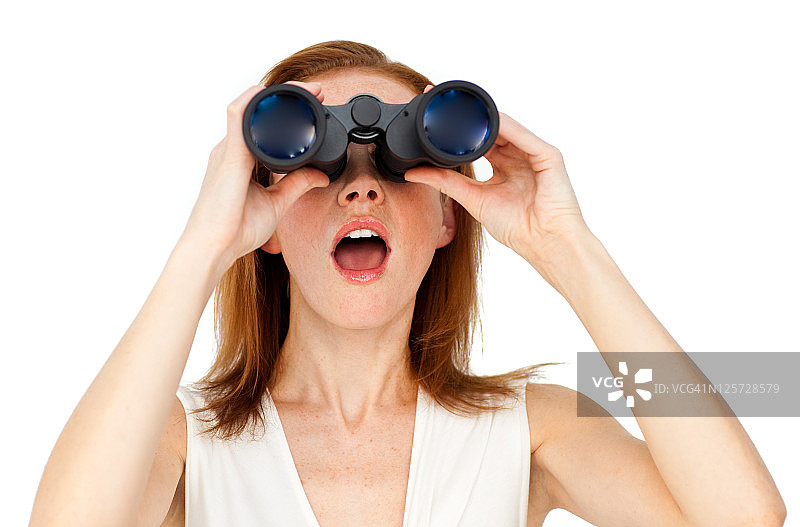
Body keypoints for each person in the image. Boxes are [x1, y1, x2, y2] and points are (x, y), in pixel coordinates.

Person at [29, 41, 786, 527]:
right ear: (266, 227)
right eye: (320, 166)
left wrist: (569, 249)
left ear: (449, 216)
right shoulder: (183, 437)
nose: (361, 189)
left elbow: (746, 518)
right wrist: (202, 249)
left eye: (396, 165)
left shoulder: (535, 427)